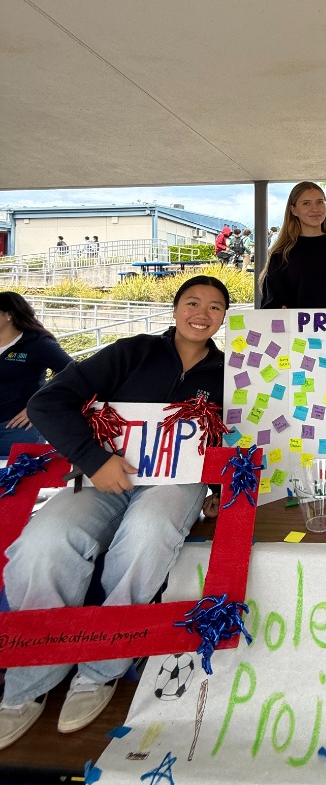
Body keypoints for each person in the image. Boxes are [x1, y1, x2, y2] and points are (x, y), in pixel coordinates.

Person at [0, 276, 229, 747]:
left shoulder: (231, 372)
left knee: (149, 531)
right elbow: (49, 401)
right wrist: (93, 458)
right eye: (192, 302)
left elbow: (243, 436)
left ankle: (101, 667)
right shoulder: (131, 351)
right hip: (105, 475)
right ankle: (30, 676)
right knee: (44, 543)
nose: (202, 313)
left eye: (214, 306)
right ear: (174, 309)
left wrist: (219, 487)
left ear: (225, 317)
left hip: (175, 482)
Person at [259, 182, 326, 308]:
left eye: (320, 202)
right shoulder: (282, 254)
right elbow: (272, 304)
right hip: (296, 327)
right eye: (306, 203)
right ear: (293, 210)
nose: (315, 208)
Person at [0, 293, 71, 458]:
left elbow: (73, 373)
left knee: (18, 480)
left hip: (17, 430)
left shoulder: (38, 344)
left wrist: (39, 404)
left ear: (9, 315)